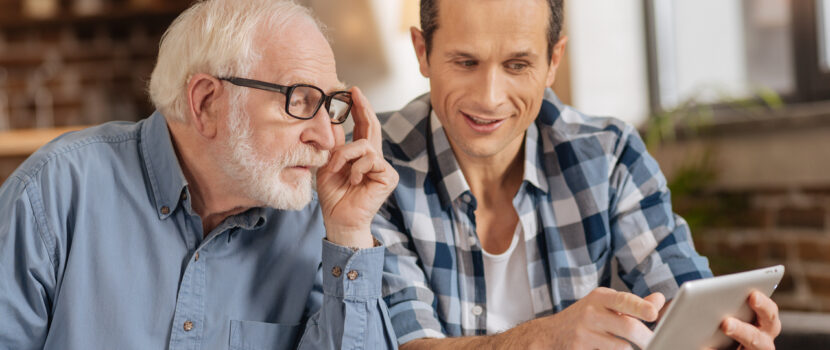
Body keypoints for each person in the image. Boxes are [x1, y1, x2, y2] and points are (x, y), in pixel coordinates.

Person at [372, 0, 781, 349]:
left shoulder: (609, 154)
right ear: (422, 51)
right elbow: (405, 343)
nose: (489, 97)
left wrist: (724, 335)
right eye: (466, 62)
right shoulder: (375, 163)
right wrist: (546, 339)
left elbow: (679, 291)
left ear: (553, 61)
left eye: (517, 64)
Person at [0, 0, 399, 349]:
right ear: (206, 102)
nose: (328, 138)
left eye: (331, 104)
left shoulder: (317, 223)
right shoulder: (54, 194)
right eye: (299, 100)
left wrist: (350, 235)